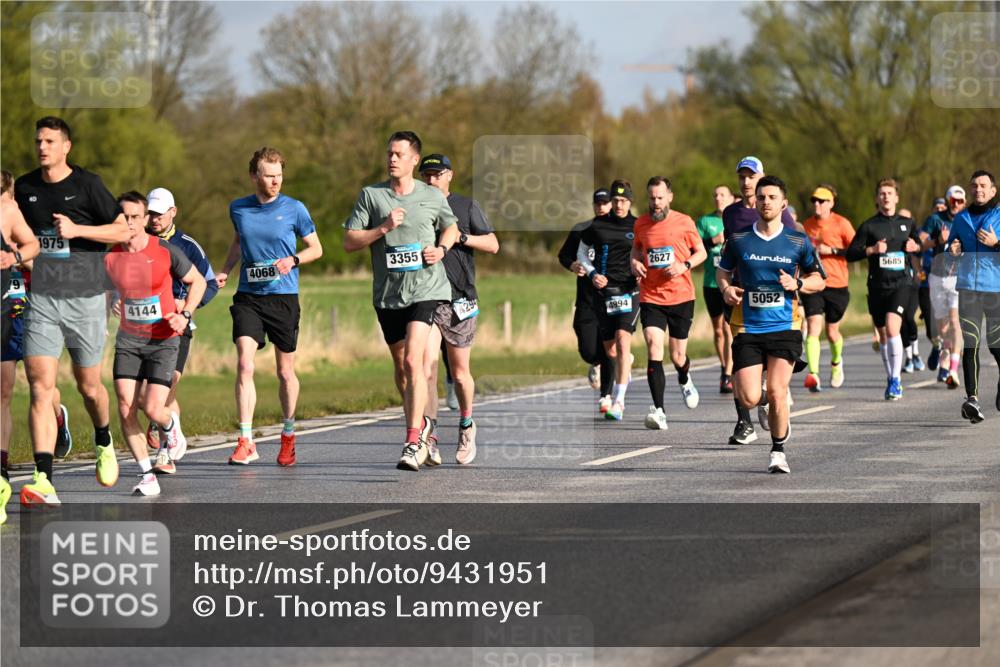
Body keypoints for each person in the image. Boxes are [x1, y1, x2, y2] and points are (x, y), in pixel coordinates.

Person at [14, 117, 131, 508]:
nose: (42, 147)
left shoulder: (88, 184)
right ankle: (43, 478)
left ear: (67, 146)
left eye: (49, 141)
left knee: (89, 387)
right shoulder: (25, 188)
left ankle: (102, 437)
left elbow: (122, 231)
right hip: (43, 298)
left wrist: (78, 231)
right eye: (38, 141)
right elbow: (21, 237)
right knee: (39, 386)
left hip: (85, 299)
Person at [344, 131, 459, 471]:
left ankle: (413, 439)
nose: (392, 159)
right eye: (389, 153)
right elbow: (350, 242)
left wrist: (442, 248)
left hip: (426, 289)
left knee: (414, 361)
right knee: (403, 370)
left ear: (413, 160)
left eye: (398, 154)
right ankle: (422, 423)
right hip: (388, 294)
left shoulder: (431, 195)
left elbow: (450, 227)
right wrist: (381, 229)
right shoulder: (372, 196)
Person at [216, 147, 323, 466]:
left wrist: (293, 260)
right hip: (249, 296)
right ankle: (246, 440)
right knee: (245, 364)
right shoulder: (239, 208)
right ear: (254, 176)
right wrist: (225, 270)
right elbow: (238, 242)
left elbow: (316, 248)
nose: (275, 182)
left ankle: (288, 435)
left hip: (283, 297)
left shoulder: (295, 209)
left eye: (279, 176)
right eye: (269, 176)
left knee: (285, 370)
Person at [717, 175, 825, 473]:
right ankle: (765, 402)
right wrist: (726, 290)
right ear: (756, 202)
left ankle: (778, 451)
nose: (766, 202)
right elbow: (722, 272)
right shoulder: (739, 239)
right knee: (748, 396)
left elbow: (819, 280)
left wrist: (798, 282)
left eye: (772, 197)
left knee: (779, 391)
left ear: (783, 204)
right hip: (748, 328)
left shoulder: (797, 241)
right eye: (762, 197)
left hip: (784, 327)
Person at [105, 192, 206, 495]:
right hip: (129, 340)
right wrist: (111, 303)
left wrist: (185, 314)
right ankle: (147, 475)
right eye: (125, 217)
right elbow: (106, 291)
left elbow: (198, 281)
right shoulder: (111, 255)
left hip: (163, 339)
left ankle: (169, 424)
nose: (131, 223)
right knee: (125, 406)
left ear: (146, 219)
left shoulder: (164, 250)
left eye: (137, 217)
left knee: (152, 408)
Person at [418, 154, 499, 465]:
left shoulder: (466, 206)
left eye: (437, 175)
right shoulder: (418, 206)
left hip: (460, 299)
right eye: (426, 175)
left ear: (449, 175)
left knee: (461, 373)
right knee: (425, 366)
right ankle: (431, 435)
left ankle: (466, 424)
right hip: (427, 297)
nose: (431, 180)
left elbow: (493, 244)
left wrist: (462, 238)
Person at [142, 187, 219, 474]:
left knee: (169, 382)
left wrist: (186, 306)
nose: (155, 219)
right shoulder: (140, 242)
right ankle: (161, 419)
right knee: (143, 397)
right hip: (144, 326)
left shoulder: (188, 246)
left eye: (160, 214)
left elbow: (209, 285)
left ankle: (165, 453)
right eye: (150, 213)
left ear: (173, 212)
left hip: (179, 326)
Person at [722, 156, 798, 444]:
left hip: (777, 301)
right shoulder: (730, 214)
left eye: (751, 176)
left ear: (761, 177)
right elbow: (729, 254)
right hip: (742, 298)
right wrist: (726, 286)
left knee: (769, 368)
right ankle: (745, 422)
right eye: (741, 176)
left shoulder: (776, 209)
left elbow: (793, 243)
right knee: (743, 363)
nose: (746, 181)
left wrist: (794, 283)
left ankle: (772, 395)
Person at [631, 176, 707, 429]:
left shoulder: (684, 222)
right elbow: (636, 249)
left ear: (669, 197)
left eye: (660, 198)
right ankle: (659, 411)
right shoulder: (641, 223)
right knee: (654, 346)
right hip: (651, 296)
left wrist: (683, 265)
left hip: (681, 297)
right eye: (652, 198)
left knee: (677, 356)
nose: (655, 203)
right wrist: (635, 263)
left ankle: (685, 378)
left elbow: (702, 253)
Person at [845, 179, 922, 401]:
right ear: (877, 198)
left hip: (901, 284)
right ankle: (890, 378)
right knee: (883, 334)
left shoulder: (908, 223)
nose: (886, 196)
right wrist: (872, 249)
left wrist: (914, 246)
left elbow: (918, 244)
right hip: (877, 286)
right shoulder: (869, 225)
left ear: (897, 197)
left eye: (890, 193)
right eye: (882, 193)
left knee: (891, 327)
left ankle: (896, 380)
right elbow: (851, 253)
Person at [577, 180, 639, 421]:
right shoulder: (598, 225)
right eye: (615, 201)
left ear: (630, 202)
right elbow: (581, 253)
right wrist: (593, 274)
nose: (619, 205)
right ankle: (626, 364)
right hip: (605, 293)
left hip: (629, 291)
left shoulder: (638, 225)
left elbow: (646, 250)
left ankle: (619, 401)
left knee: (623, 341)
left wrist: (642, 269)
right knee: (610, 349)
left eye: (623, 201)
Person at [1, 170, 40, 523]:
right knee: (4, 392)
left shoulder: (15, 215)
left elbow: (37, 256)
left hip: (19, 307)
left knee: (33, 387)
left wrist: (14, 255)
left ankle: (55, 417)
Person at [948, 170, 1000, 423]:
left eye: (983, 185)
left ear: (993, 190)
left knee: (996, 345)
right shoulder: (961, 219)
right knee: (971, 344)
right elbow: (950, 248)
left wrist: (996, 243)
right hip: (967, 288)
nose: (978, 189)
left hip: (995, 290)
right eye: (974, 186)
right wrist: (953, 249)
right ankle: (972, 399)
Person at [560, 189, 615, 401]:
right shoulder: (581, 230)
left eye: (605, 203)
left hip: (611, 298)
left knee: (609, 346)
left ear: (612, 205)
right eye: (598, 203)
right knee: (588, 350)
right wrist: (573, 264)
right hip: (586, 300)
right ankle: (596, 363)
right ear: (593, 205)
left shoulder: (619, 230)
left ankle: (606, 396)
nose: (601, 207)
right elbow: (563, 255)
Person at [801, 185, 855, 391]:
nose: (817, 204)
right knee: (814, 326)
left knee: (832, 332)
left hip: (837, 284)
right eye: (814, 200)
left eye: (822, 201)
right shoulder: (806, 226)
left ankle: (836, 362)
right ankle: (813, 374)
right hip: (814, 283)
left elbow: (855, 250)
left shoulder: (842, 223)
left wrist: (831, 250)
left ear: (831, 203)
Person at [919, 186, 966, 387]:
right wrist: (938, 240)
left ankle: (953, 369)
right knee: (941, 327)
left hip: (959, 277)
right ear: (947, 200)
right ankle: (945, 350)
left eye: (960, 201)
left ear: (964, 202)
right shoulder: (935, 219)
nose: (956, 204)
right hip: (937, 276)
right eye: (953, 200)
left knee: (955, 321)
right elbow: (921, 242)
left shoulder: (968, 220)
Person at [696, 185, 735, 393]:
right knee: (718, 330)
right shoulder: (705, 221)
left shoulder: (735, 219)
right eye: (716, 195)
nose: (718, 198)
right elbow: (695, 246)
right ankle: (723, 366)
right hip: (711, 283)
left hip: (729, 283)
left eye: (722, 195)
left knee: (729, 329)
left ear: (730, 198)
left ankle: (729, 373)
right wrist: (714, 240)